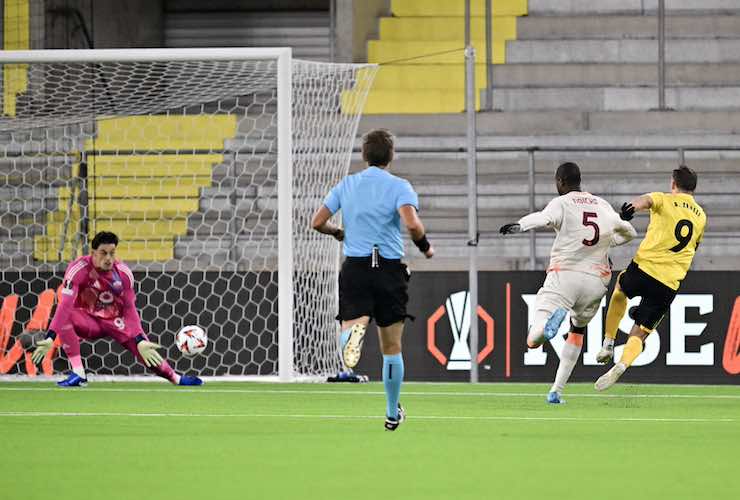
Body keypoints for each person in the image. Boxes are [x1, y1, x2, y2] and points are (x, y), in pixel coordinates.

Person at [311, 128, 434, 430]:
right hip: (389, 269)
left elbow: (317, 222)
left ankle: (351, 338)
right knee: (391, 349)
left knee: (351, 332)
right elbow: (412, 224)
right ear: (391, 156)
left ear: (364, 156)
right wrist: (425, 247)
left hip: (356, 267)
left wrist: (338, 233)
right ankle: (392, 413)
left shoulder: (347, 184)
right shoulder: (399, 187)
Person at [500, 162, 636, 403]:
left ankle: (547, 328)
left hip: (565, 275)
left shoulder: (562, 203)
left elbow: (543, 218)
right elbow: (629, 233)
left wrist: (520, 225)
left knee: (533, 338)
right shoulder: (601, 205)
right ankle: (556, 391)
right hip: (596, 281)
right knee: (578, 330)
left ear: (560, 182)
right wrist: (609, 241)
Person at [28, 231, 203, 387]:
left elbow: (130, 310)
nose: (108, 258)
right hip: (88, 320)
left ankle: (176, 378)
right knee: (66, 314)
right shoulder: (77, 270)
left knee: (145, 351)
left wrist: (139, 338)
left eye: (112, 253)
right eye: (103, 253)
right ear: (93, 253)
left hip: (116, 321)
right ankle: (79, 373)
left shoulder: (123, 274)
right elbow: (65, 305)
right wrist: (51, 337)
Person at [595, 165, 706, 390]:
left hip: (644, 268)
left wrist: (629, 210)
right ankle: (623, 365)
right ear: (693, 188)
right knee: (642, 331)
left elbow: (643, 201)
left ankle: (608, 342)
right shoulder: (701, 216)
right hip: (669, 282)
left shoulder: (664, 199)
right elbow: (694, 246)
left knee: (621, 288)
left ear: (673, 184)